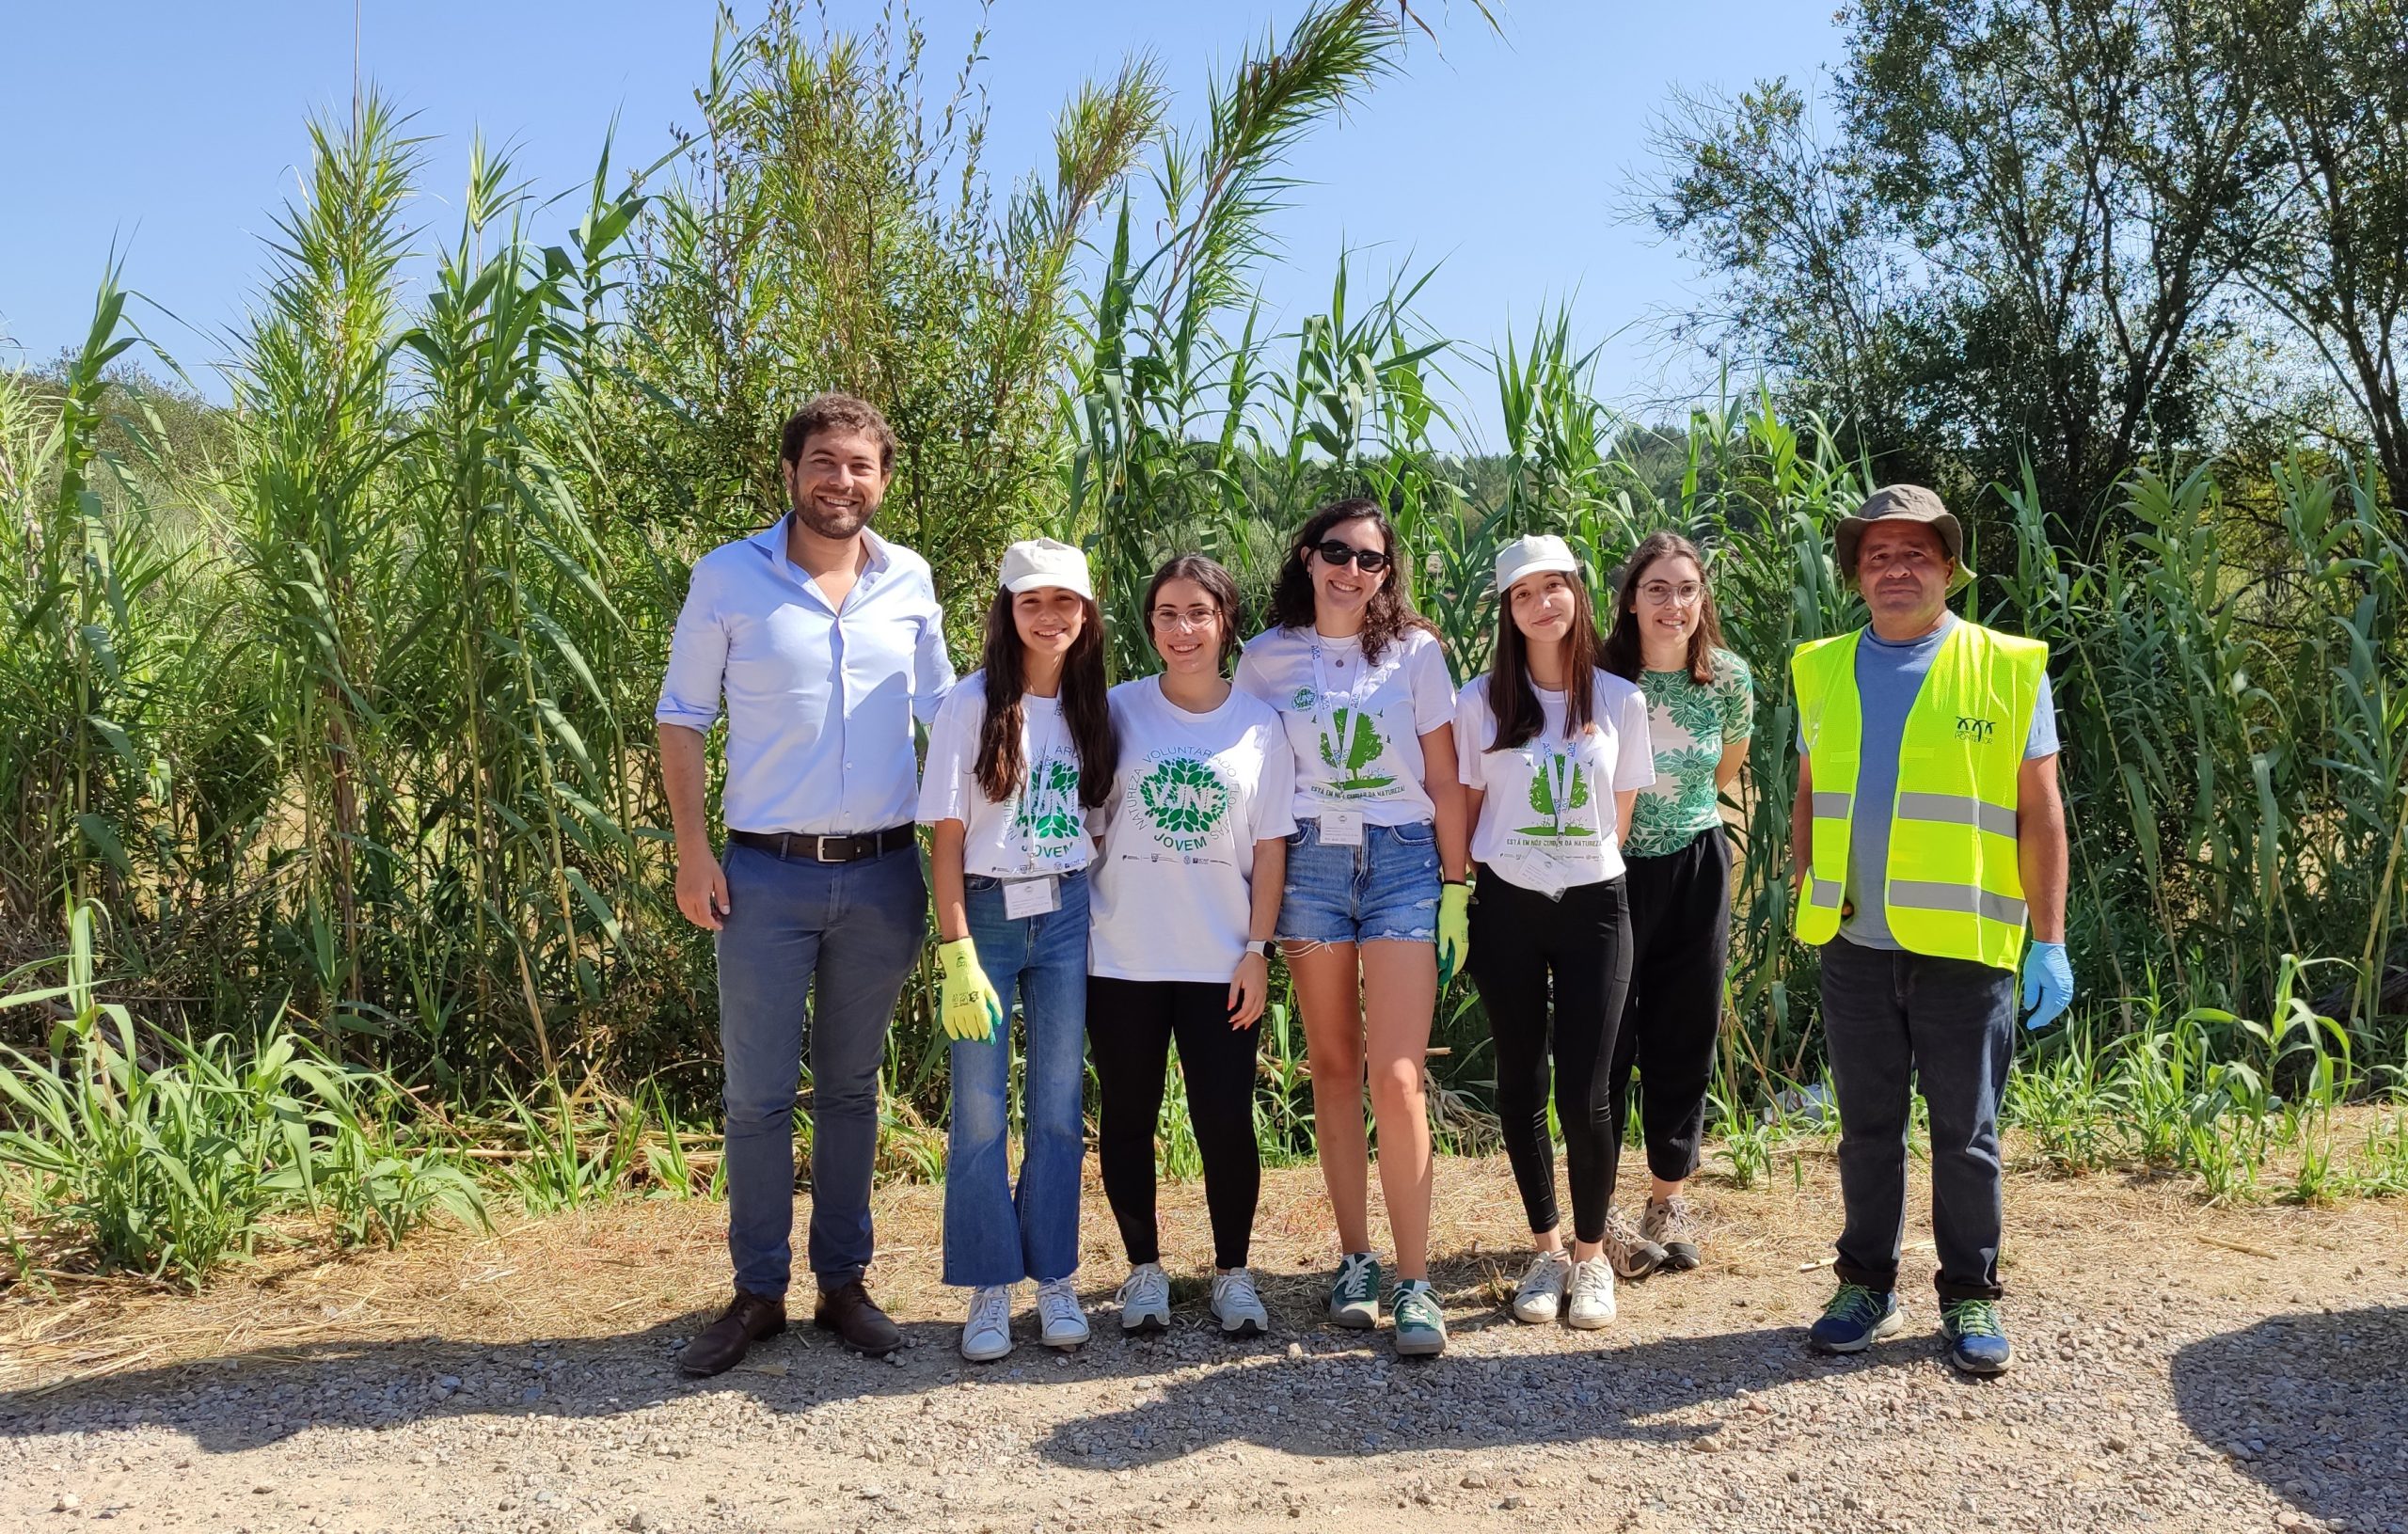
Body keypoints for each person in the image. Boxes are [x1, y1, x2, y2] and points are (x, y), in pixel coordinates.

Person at [656, 393, 955, 1375]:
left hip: (881, 875)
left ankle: (843, 1282)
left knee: (851, 1088)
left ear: (884, 478)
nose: (842, 480)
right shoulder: (728, 577)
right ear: (790, 471)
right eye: (824, 461)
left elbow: (949, 718)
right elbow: (682, 717)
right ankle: (755, 1292)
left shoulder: (908, 579)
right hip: (761, 877)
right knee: (753, 1098)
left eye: (860, 464)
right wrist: (691, 850)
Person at [1789, 484, 2073, 1377]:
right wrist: (1805, 886)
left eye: (1916, 552)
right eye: (1878, 554)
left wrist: (2050, 938)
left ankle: (1970, 1295)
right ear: (1856, 574)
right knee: (1866, 1129)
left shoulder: (2006, 665)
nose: (1896, 567)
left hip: (1967, 949)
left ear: (1949, 566)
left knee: (1967, 1132)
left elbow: (2042, 812)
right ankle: (1865, 1282)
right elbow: (1807, 794)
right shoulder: (1821, 667)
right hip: (1856, 949)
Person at [1234, 498, 1468, 1358]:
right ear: (1306, 556)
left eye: (1371, 559)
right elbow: (1248, 775)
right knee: (1333, 1064)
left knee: (1397, 1073)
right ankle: (1356, 1259)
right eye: (1337, 552)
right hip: (1312, 874)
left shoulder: (1416, 652)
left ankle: (1416, 1280)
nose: (1353, 570)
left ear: (1386, 570)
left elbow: (1443, 778)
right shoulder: (1263, 660)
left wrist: (1455, 885)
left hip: (1404, 864)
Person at [918, 539, 1117, 1362]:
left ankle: (1055, 1278)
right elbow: (946, 837)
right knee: (979, 1113)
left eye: (1065, 602)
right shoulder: (970, 704)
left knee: (1060, 1110)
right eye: (1032, 602)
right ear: (1007, 610)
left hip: (1065, 912)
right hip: (989, 919)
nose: (1050, 617)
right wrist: (955, 948)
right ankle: (989, 1286)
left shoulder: (1088, 705)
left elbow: (1095, 820)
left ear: (1086, 614)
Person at [1089, 554, 1294, 1339]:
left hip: (1220, 959)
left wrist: (1257, 949)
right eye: (1167, 614)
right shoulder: (1115, 710)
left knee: (1224, 1119)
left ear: (1225, 622)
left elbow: (1270, 848)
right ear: (1150, 626)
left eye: (1198, 613)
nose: (1183, 629)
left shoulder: (1258, 725)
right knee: (1129, 1115)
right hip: (1123, 953)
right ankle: (1144, 1270)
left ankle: (1233, 1272)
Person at [1456, 535, 1657, 1329]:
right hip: (1506, 902)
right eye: (1524, 593)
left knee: (1586, 1087)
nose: (1543, 603)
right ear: (1508, 610)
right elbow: (1469, 810)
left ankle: (1592, 1252)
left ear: (1578, 593)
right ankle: (1544, 1249)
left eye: (1556, 587)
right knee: (1520, 1077)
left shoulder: (1619, 700)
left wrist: (1576, 862)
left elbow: (1621, 816)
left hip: (1595, 905)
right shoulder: (1480, 702)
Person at [1599, 530, 1754, 1274]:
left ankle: (1667, 1195)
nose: (1674, 604)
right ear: (1631, 599)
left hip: (1696, 863)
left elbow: (1724, 769)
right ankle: (1595, 1209)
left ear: (1703, 598)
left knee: (1683, 1031)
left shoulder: (1726, 677)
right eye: (1657, 589)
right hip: (1610, 869)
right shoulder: (1599, 674)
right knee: (1607, 1038)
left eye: (1687, 589)